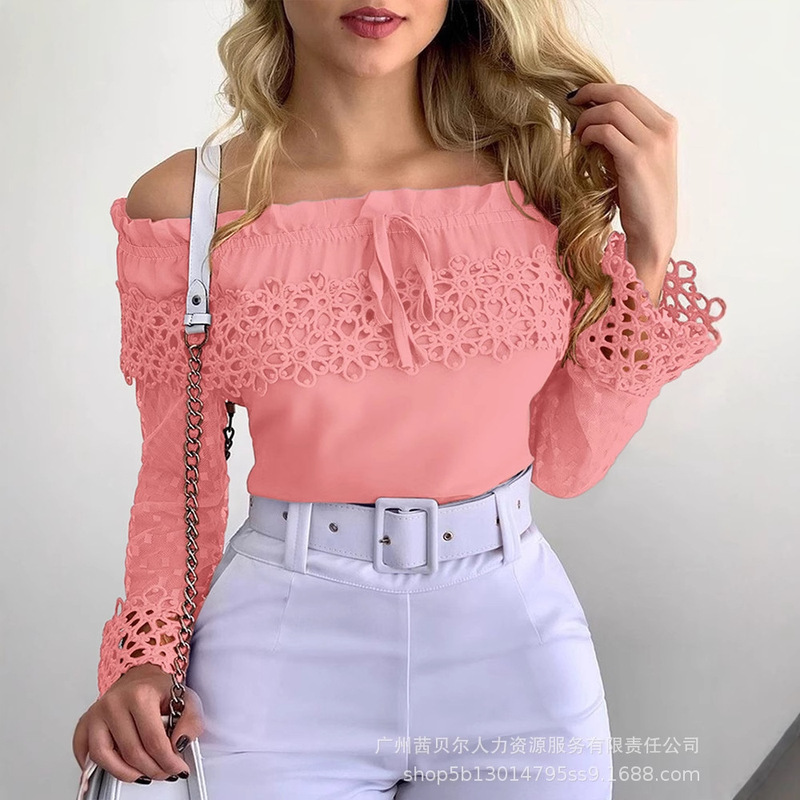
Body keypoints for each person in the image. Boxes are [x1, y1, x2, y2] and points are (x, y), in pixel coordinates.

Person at [72, 1, 727, 797]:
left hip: (515, 655)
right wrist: (144, 661)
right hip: (280, 662)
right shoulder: (188, 206)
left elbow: (569, 461)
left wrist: (649, 252)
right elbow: (176, 486)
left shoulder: (540, 182)